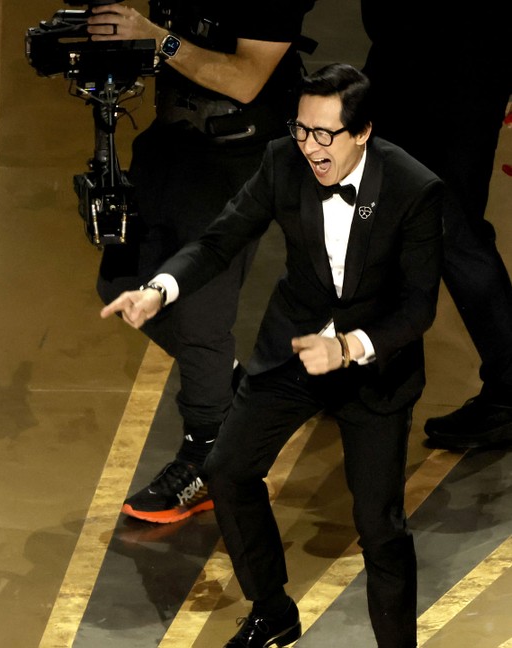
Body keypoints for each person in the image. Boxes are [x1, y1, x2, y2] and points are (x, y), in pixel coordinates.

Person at [102, 64, 443, 647]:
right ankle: (273, 610)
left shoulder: (413, 188)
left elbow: (417, 309)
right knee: (228, 470)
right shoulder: (283, 161)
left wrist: (347, 348)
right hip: (293, 346)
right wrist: (160, 289)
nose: (310, 146)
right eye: (302, 129)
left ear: (362, 132)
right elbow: (220, 238)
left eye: (324, 134)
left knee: (378, 528)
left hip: (371, 366)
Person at [86, 0, 315, 524]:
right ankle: (242, 392)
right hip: (172, 142)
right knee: (119, 281)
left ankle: (206, 459)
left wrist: (155, 39)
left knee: (199, 315)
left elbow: (245, 80)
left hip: (239, 156)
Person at [361, 1, 512, 450]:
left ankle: (508, 390)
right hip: (445, 64)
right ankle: (375, 370)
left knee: (452, 230)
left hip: (445, 70)